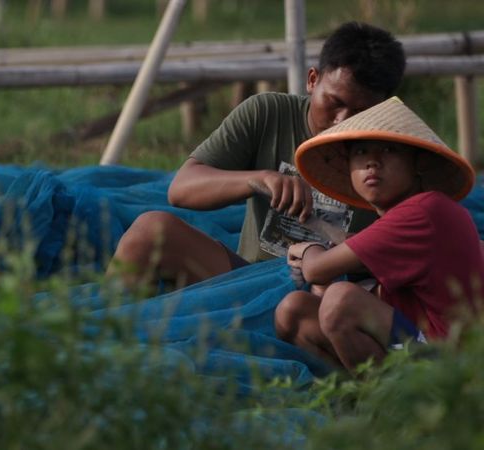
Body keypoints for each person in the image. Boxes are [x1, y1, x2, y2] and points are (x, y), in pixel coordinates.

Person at [107, 22, 406, 291]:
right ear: (312, 80)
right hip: (247, 280)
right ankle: (105, 340)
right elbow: (181, 188)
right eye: (334, 102)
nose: (342, 121)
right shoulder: (268, 114)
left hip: (330, 299)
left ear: (384, 108)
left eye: (360, 113)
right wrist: (258, 179)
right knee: (150, 232)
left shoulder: (400, 149)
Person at [275, 96, 483, 371]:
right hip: (418, 343)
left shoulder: (423, 211)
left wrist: (306, 249)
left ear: (418, 162)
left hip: (452, 366)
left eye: (387, 150)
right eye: (361, 152)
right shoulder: (404, 217)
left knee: (341, 301)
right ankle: (357, 394)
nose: (372, 162)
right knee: (293, 311)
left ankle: (387, 405)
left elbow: (315, 270)